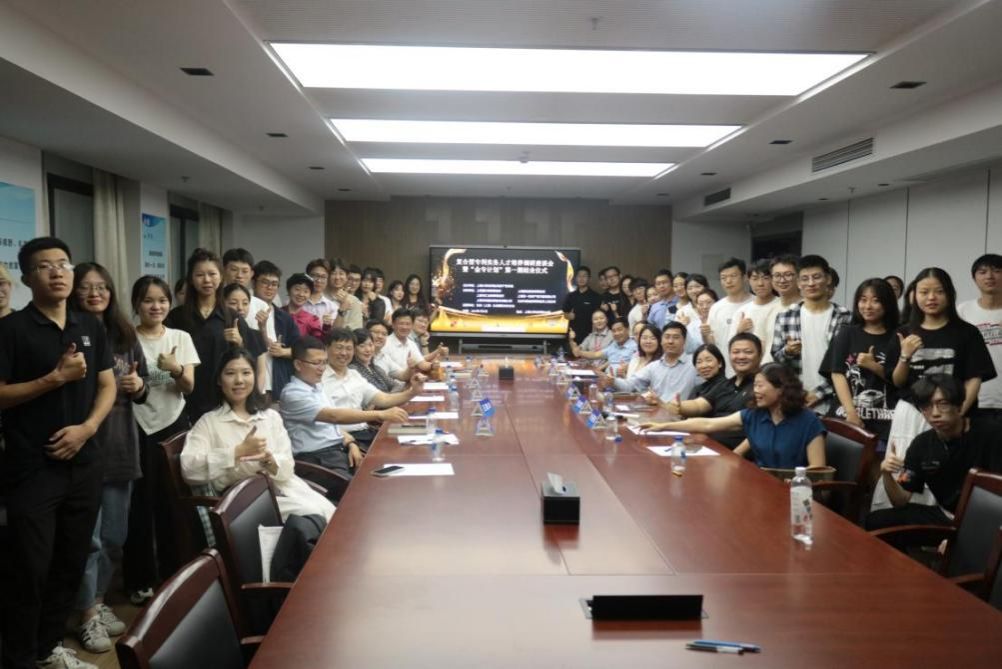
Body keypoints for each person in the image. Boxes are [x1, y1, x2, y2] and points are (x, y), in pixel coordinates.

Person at [1, 237, 116, 669]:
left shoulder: (90, 326)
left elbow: (107, 385)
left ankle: (48, 648)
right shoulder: (11, 330)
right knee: (29, 568)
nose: (57, 272)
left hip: (85, 463)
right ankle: (18, 657)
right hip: (32, 468)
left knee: (71, 561)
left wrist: (88, 429)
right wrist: (55, 378)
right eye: (45, 266)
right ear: (27, 278)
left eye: (64, 264)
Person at [68, 263, 149, 654]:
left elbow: (145, 387)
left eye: (101, 287)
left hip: (121, 446)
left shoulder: (124, 334)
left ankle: (98, 601)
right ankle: (84, 613)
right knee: (90, 539)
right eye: (86, 287)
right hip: (84, 448)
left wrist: (139, 385)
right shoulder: (68, 334)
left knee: (115, 537)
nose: (95, 293)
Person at [873, 267, 996, 512]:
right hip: (912, 413)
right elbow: (897, 381)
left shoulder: (967, 332)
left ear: (949, 294)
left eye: (938, 291)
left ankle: (946, 522)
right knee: (907, 468)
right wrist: (905, 356)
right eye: (924, 292)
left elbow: (974, 378)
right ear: (914, 296)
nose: (931, 297)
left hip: (952, 412)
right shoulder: (904, 332)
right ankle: (907, 519)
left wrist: (959, 411)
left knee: (947, 473)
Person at [182, 347, 334, 522]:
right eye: (230, 373)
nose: (239, 380)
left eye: (246, 373)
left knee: (332, 514)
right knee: (313, 516)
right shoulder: (209, 422)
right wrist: (237, 452)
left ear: (254, 377)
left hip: (286, 488)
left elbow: (288, 467)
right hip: (245, 504)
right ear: (219, 380)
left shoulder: (270, 417)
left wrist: (270, 461)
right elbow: (189, 470)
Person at [124, 275, 198, 606]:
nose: (156, 306)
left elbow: (189, 387)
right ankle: (139, 579)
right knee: (139, 506)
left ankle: (173, 573)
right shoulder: (125, 338)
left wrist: (176, 369)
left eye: (162, 300)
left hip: (173, 425)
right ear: (136, 304)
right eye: (148, 300)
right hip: (135, 425)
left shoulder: (180, 337)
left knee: (172, 502)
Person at [866, 375, 998, 530]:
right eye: (926, 406)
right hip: (948, 516)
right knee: (876, 521)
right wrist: (886, 473)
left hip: (990, 518)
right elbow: (900, 500)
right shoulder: (921, 445)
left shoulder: (991, 433)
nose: (935, 413)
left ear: (959, 406)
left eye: (942, 404)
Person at [643, 362, 826, 469]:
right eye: (754, 386)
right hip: (760, 487)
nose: (755, 391)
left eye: (760, 386)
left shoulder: (808, 421)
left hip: (793, 493)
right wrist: (663, 426)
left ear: (781, 388)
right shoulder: (754, 415)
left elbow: (818, 470)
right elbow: (708, 424)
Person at [165, 248, 258, 423]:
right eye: (200, 275)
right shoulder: (176, 317)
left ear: (221, 277)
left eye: (212, 274)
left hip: (222, 400)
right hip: (182, 399)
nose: (207, 280)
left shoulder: (232, 317)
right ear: (191, 279)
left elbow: (251, 361)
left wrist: (239, 343)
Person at [771, 255, 851, 414]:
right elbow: (777, 358)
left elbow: (850, 364)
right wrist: (788, 351)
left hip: (836, 399)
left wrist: (819, 393)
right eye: (805, 278)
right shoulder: (785, 317)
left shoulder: (845, 317)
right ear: (798, 282)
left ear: (828, 279)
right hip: (797, 398)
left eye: (816, 277)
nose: (811, 283)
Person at [821, 278, 899, 440]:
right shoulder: (846, 333)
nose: (868, 306)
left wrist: (874, 366)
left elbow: (900, 380)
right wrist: (851, 413)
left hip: (886, 422)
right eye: (863, 300)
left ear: (888, 303)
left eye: (876, 301)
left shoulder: (898, 336)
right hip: (845, 418)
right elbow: (837, 373)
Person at [279, 337, 364, 478]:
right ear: (298, 364)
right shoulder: (292, 394)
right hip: (316, 460)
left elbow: (333, 428)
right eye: (316, 363)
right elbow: (334, 416)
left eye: (324, 362)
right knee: (361, 486)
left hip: (338, 452)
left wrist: (351, 443)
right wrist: (381, 414)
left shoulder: (318, 387)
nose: (322, 368)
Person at [321, 328, 418, 449]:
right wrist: (350, 442)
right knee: (399, 450)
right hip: (343, 440)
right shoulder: (319, 379)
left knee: (420, 433)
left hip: (366, 432)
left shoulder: (354, 374)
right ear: (326, 349)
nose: (344, 353)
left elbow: (384, 399)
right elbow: (327, 419)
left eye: (348, 348)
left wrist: (413, 392)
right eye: (339, 348)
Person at [666, 334, 763, 448]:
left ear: (760, 355)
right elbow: (699, 405)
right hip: (709, 446)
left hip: (737, 453)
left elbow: (759, 431)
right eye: (736, 352)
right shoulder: (724, 384)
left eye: (748, 352)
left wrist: (736, 454)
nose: (741, 356)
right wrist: (679, 406)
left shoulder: (762, 386)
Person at [600, 321, 698, 403]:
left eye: (676, 337)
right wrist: (613, 381)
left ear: (684, 341)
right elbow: (630, 385)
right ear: (661, 341)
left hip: (683, 416)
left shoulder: (695, 363)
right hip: (656, 414)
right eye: (667, 337)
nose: (670, 341)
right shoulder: (654, 366)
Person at [957, 254, 1002, 426]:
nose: (989, 276)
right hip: (974, 398)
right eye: (982, 272)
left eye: (996, 271)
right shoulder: (962, 311)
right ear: (974, 278)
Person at [252, 260, 299, 400]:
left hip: (276, 385)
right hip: (249, 382)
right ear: (254, 283)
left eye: (274, 284)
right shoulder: (244, 310)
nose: (269, 287)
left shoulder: (284, 317)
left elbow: (301, 350)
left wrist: (283, 351)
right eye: (265, 282)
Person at [731, 260, 782, 367]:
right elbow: (732, 346)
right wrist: (739, 331)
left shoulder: (782, 306)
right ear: (748, 280)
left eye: (766, 278)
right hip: (749, 368)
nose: (760, 283)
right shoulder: (742, 311)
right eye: (755, 278)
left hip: (775, 367)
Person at [705, 259, 753, 368]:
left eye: (733, 276)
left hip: (750, 367)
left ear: (745, 277)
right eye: (723, 278)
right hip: (724, 367)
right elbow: (713, 342)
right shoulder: (716, 308)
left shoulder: (755, 303)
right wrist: (705, 334)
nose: (728, 281)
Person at [222, 248, 270, 335]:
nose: (239, 275)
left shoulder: (261, 306)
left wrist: (263, 329)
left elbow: (271, 342)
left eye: (244, 271)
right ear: (223, 271)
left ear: (251, 274)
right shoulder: (213, 301)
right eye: (234, 270)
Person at [570, 317, 637, 372]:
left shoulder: (635, 347)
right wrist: (579, 352)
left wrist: (627, 368)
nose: (616, 333)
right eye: (614, 331)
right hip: (607, 378)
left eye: (619, 330)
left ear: (628, 329)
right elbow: (596, 354)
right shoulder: (614, 345)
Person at [352, 325, 405, 392]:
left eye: (370, 345)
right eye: (362, 346)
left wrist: (389, 396)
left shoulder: (376, 368)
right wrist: (388, 397)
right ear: (353, 349)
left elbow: (397, 385)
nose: (368, 349)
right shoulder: (353, 370)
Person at [561, 266, 601, 344]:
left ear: (589, 278)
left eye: (584, 276)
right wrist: (569, 316)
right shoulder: (570, 296)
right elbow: (565, 314)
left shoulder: (596, 297)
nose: (581, 279)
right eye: (579, 276)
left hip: (590, 335)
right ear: (576, 278)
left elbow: (599, 316)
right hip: (573, 335)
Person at [283, 272, 324, 339]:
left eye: (306, 291)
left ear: (310, 295)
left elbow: (318, 342)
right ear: (288, 290)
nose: (301, 294)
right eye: (297, 289)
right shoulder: (277, 313)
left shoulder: (312, 320)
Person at [328, 259, 365, 329]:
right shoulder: (321, 297)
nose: (337, 277)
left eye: (341, 273)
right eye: (333, 273)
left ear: (346, 277)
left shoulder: (353, 301)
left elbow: (356, 329)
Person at [303, 259, 338, 331]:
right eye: (315, 276)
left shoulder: (332, 307)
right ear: (307, 277)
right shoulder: (296, 303)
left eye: (323, 277)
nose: (319, 280)